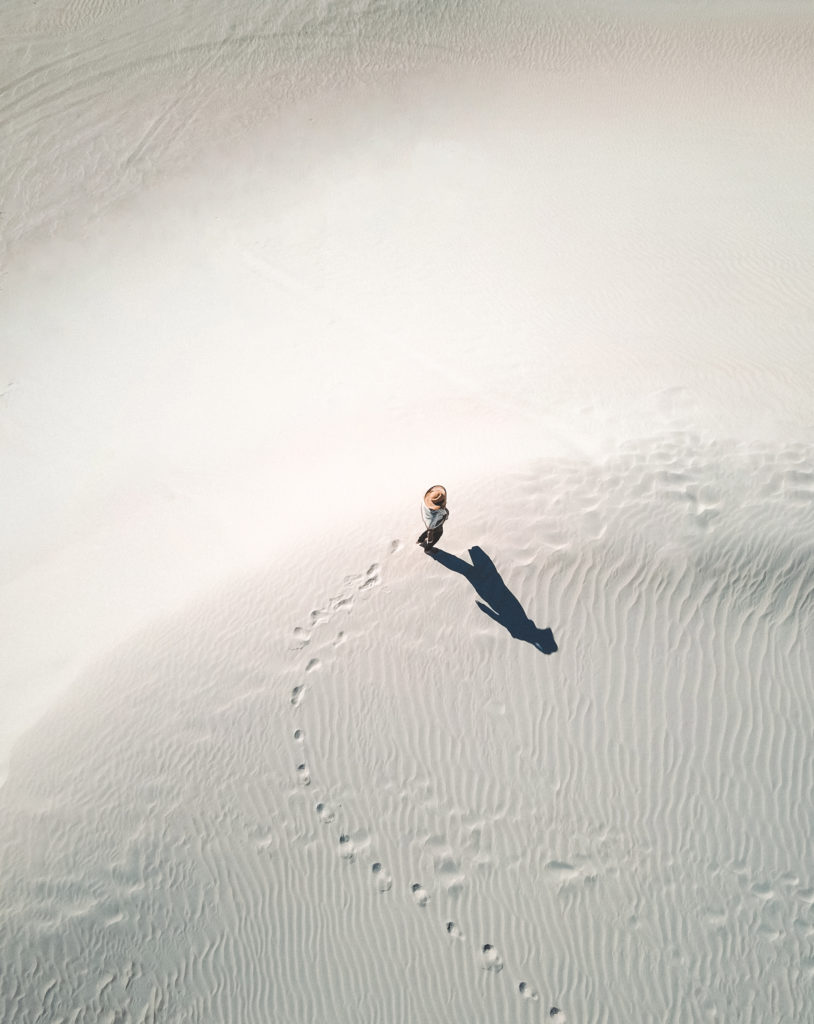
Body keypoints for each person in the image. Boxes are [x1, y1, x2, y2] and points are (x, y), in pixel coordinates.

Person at [417, 485, 449, 549]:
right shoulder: (435, 516)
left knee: (430, 530)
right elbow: (430, 529)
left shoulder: (427, 502)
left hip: (430, 521)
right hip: (437, 523)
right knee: (438, 533)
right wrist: (430, 540)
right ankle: (428, 548)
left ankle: (420, 540)